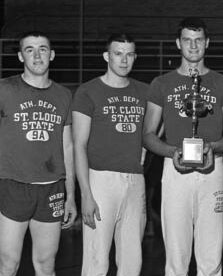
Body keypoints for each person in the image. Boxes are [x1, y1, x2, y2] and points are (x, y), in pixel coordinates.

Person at [142, 17, 223, 276]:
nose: (193, 46)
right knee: (176, 257)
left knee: (211, 256)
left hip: (213, 169)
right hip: (174, 170)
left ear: (207, 43)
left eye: (199, 40)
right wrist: (171, 152)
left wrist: (214, 146)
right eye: (187, 40)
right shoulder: (161, 84)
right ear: (178, 43)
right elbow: (148, 135)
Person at [0, 31, 77, 276]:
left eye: (42, 48)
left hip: (52, 189)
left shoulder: (64, 95)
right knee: (8, 265)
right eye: (29, 49)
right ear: (21, 56)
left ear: (51, 55)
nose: (37, 55)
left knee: (45, 265)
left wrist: (71, 195)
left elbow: (68, 148)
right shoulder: (2, 89)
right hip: (14, 188)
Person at [72, 33, 148, 276]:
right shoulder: (88, 91)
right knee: (96, 261)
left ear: (135, 57)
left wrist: (144, 149)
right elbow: (79, 145)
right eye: (118, 54)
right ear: (107, 56)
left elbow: (155, 129)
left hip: (135, 180)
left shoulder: (145, 92)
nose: (124, 60)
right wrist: (85, 194)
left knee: (132, 261)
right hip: (100, 180)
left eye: (129, 54)